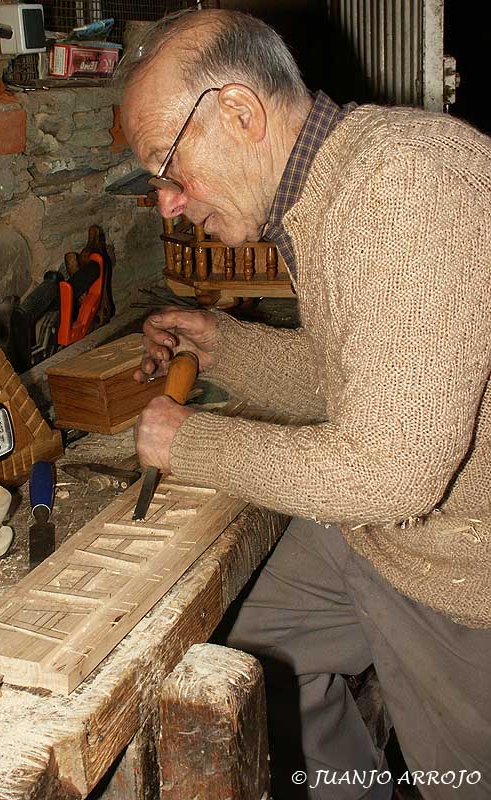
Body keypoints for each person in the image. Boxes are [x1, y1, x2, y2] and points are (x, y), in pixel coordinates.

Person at [119, 9, 491, 800]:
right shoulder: (334, 185)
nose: (167, 204)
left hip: (466, 569)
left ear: (239, 114)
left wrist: (187, 441)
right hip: (381, 536)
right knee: (243, 661)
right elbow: (363, 377)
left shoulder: (402, 187)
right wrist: (224, 348)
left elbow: (393, 472)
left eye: (167, 167)